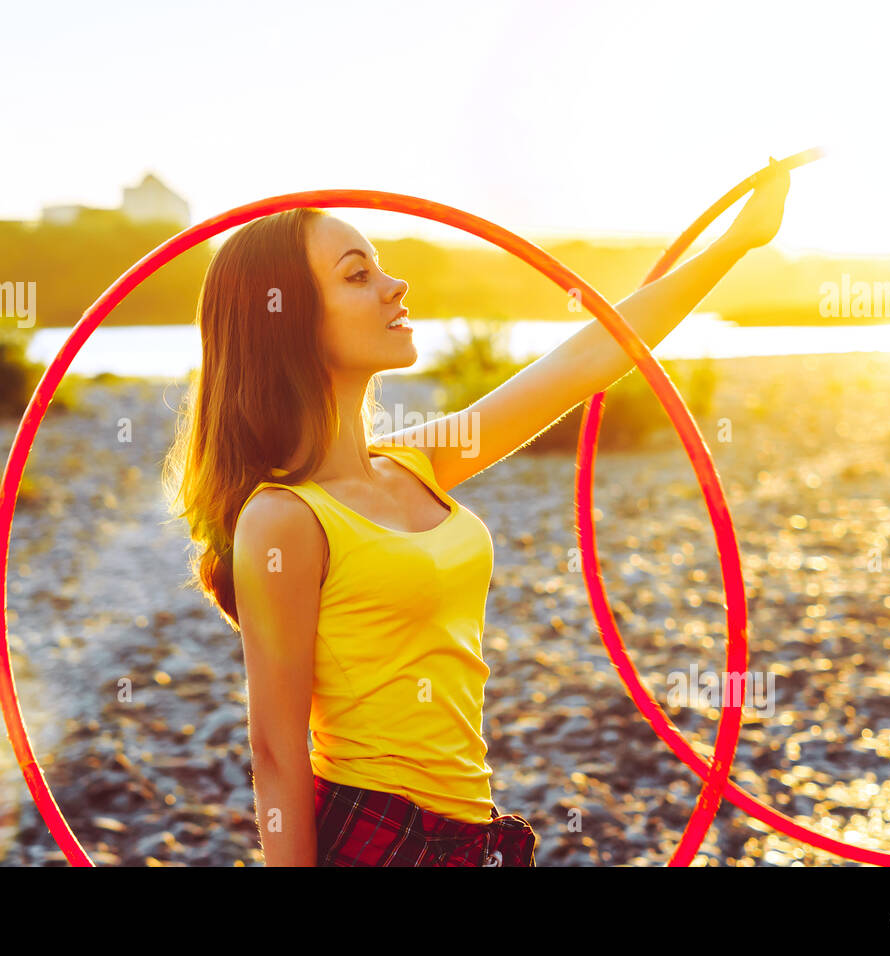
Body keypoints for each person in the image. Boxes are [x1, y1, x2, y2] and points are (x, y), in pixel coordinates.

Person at [162, 162, 790, 865]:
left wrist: (738, 244)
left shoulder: (412, 462)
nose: (396, 286)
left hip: (471, 835)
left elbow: (589, 357)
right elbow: (277, 756)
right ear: (286, 322)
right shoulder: (282, 520)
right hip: (378, 839)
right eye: (357, 275)